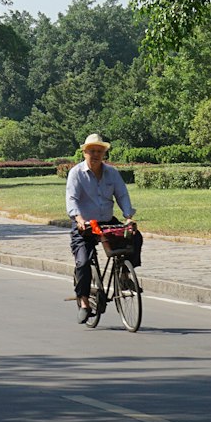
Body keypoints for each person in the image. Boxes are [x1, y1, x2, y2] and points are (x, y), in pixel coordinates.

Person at [66, 133, 142, 322]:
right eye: (92, 151)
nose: (96, 154)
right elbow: (72, 198)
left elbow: (122, 195)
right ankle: (83, 301)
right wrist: (79, 218)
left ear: (104, 154)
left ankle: (124, 274)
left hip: (107, 220)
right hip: (85, 224)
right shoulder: (76, 173)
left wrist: (128, 216)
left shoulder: (112, 172)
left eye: (99, 151)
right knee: (83, 262)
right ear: (84, 152)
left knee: (134, 236)